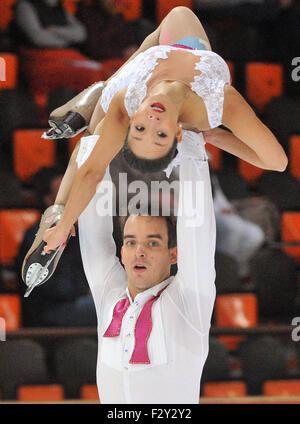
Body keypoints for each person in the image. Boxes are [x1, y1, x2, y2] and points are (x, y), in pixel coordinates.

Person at [40, 6, 287, 254]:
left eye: (140, 129)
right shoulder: (219, 102)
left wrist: (64, 226)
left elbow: (92, 171)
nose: (153, 120)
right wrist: (217, 136)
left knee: (89, 142)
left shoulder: (127, 102)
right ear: (177, 134)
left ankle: (101, 89)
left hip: (132, 78)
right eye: (160, 135)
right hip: (185, 53)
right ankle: (59, 207)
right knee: (181, 13)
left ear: (133, 119)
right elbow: (277, 163)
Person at [16, 167, 97, 327]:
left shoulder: (77, 234)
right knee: (102, 308)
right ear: (49, 201)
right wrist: (82, 290)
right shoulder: (36, 237)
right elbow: (44, 285)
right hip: (47, 310)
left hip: (74, 302)